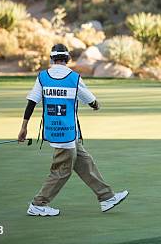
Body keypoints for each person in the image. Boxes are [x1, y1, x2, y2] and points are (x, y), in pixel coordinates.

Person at [18, 44, 129, 216]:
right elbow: (91, 100)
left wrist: (23, 128)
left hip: (55, 132)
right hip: (67, 133)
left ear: (52, 58)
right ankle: (38, 204)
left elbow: (31, 103)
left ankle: (106, 197)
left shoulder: (42, 77)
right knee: (61, 171)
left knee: (85, 162)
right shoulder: (74, 78)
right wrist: (96, 106)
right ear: (67, 59)